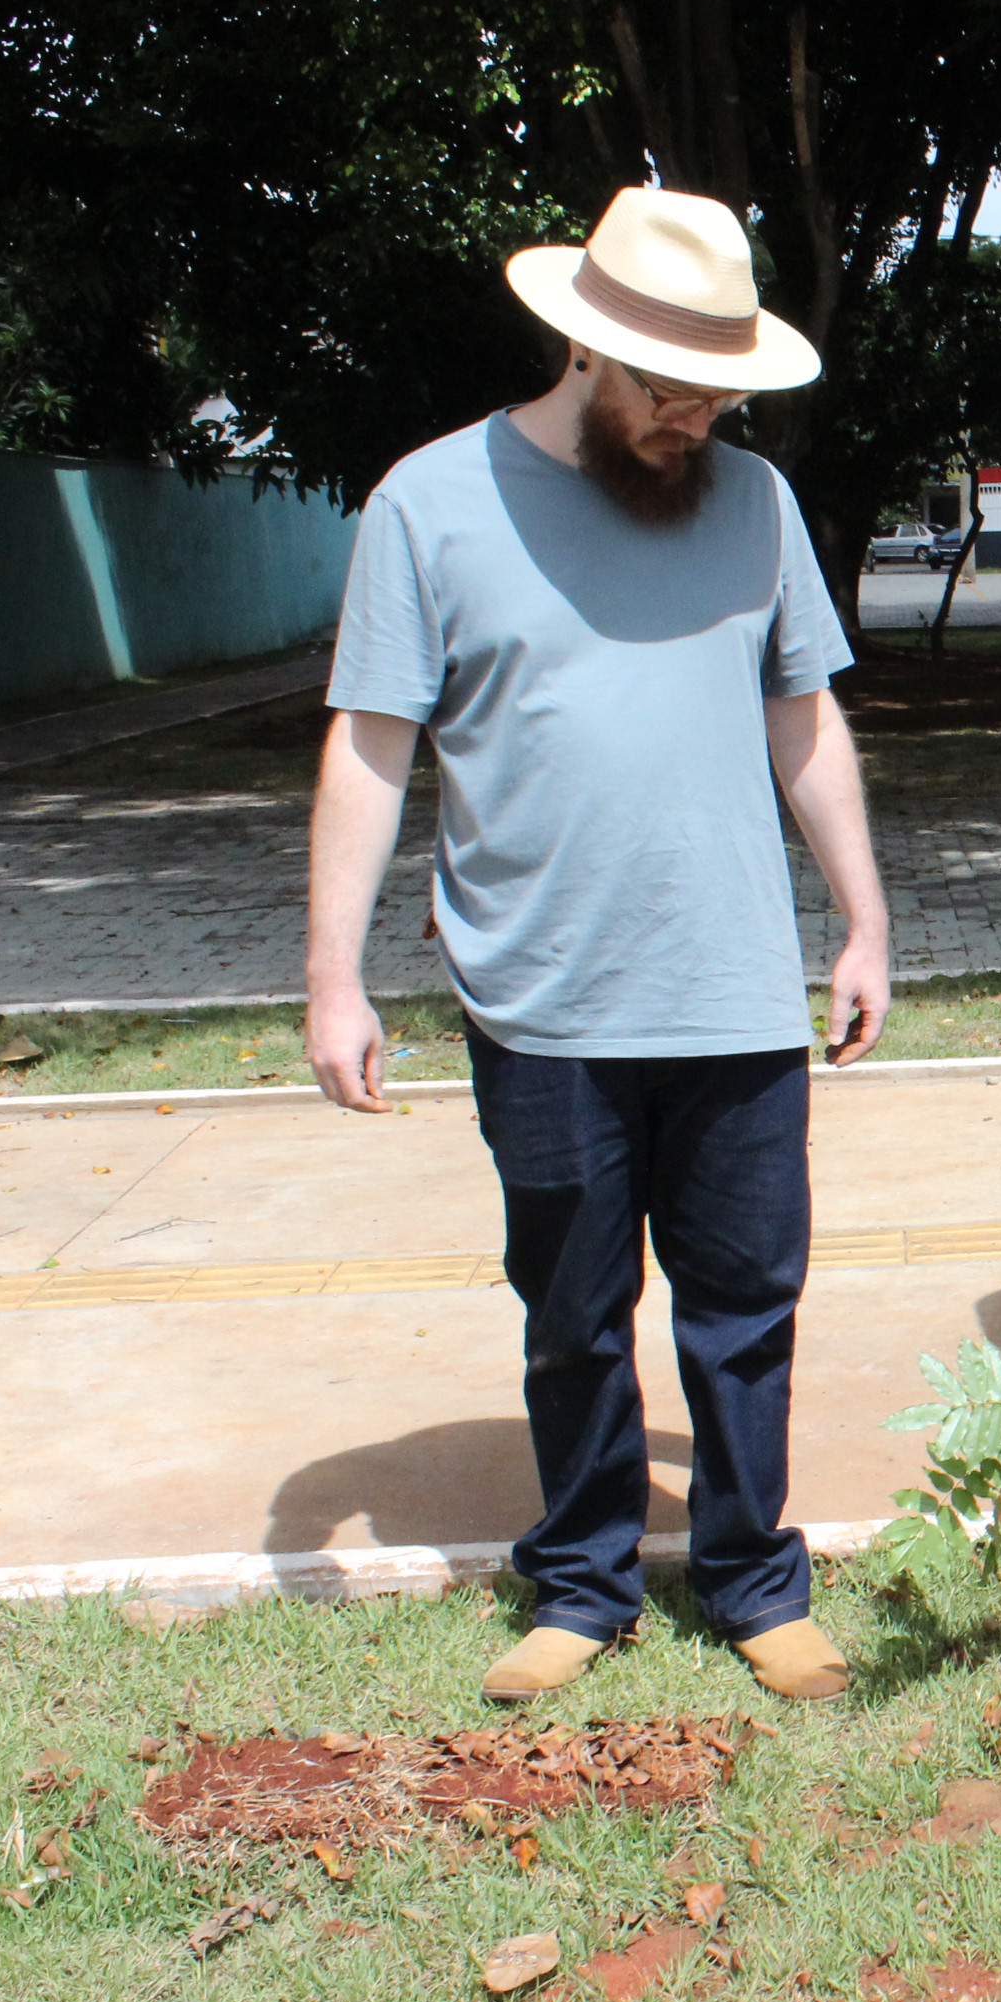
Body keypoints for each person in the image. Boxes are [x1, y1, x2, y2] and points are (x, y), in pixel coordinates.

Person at [304, 187, 889, 1705]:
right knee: (571, 1317)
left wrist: (865, 916)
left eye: (720, 387)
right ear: (581, 343)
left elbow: (803, 716)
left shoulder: (756, 506)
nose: (694, 413)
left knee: (746, 1311)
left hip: (734, 1000)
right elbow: (370, 747)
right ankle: (582, 1582)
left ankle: (759, 1581)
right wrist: (332, 975)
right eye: (666, 384)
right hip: (540, 1001)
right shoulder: (429, 505)